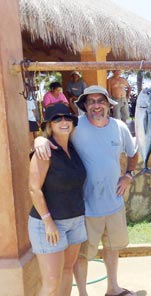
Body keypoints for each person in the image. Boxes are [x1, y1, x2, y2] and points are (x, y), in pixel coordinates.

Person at [34, 85, 139, 296]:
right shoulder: (76, 126)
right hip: (85, 207)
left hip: (114, 203)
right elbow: (55, 135)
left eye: (101, 100)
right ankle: (83, 293)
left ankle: (113, 288)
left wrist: (128, 175)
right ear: (85, 106)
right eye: (91, 101)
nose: (97, 105)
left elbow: (133, 153)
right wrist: (40, 139)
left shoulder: (120, 127)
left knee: (112, 248)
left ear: (109, 105)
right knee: (81, 256)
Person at [28, 103, 87, 296]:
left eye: (67, 118)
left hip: (75, 220)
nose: (64, 122)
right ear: (49, 125)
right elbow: (34, 189)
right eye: (57, 119)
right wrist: (48, 222)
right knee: (51, 283)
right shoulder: (45, 151)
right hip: (50, 224)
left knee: (67, 271)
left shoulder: (73, 146)